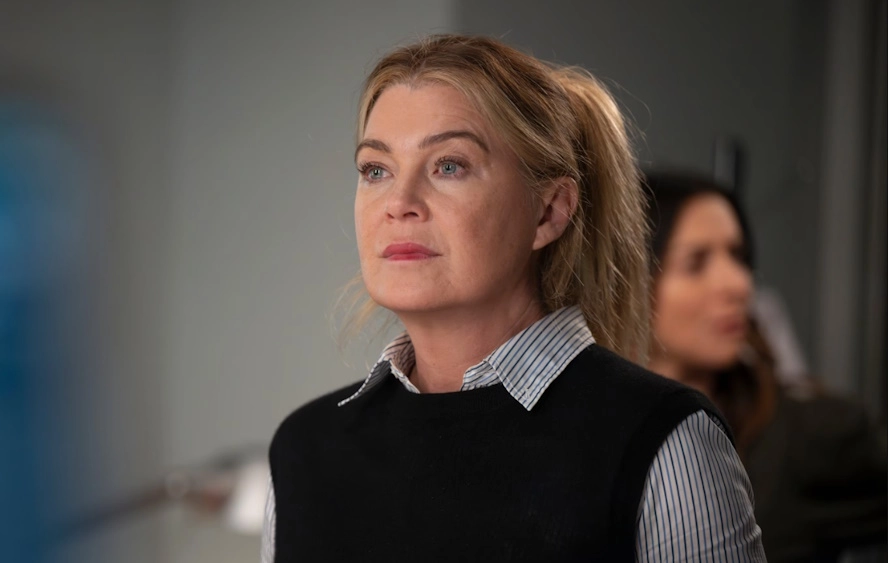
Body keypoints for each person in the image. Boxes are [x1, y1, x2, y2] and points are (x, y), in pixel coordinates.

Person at [263, 35, 765, 562]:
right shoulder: (304, 450)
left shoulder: (665, 439)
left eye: (448, 165)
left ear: (549, 211)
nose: (399, 202)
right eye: (376, 170)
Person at [642, 170, 887, 562]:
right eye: (696, 263)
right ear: (628, 280)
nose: (738, 284)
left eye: (738, 257)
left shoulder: (810, 436)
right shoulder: (582, 431)